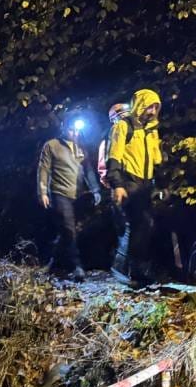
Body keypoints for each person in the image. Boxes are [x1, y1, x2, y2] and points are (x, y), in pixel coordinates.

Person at [106, 89, 163, 286]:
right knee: (137, 224)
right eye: (149, 106)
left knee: (144, 226)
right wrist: (118, 185)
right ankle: (127, 269)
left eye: (156, 106)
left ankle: (132, 269)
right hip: (129, 181)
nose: (153, 110)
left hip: (145, 184)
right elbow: (114, 157)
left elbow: (156, 160)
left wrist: (159, 185)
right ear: (140, 105)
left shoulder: (151, 131)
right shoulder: (123, 126)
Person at [37, 115, 102, 281]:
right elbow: (43, 169)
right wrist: (42, 192)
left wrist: (95, 190)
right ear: (64, 128)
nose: (74, 133)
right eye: (71, 129)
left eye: (76, 130)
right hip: (59, 192)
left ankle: (53, 262)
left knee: (68, 231)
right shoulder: (52, 145)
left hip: (77, 194)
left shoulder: (81, 148)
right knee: (69, 228)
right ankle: (77, 266)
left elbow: (88, 170)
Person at [98, 103, 131, 237]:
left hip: (136, 182)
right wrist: (111, 180)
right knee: (125, 225)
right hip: (119, 183)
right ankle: (124, 256)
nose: (123, 115)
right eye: (119, 113)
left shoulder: (137, 133)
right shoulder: (109, 137)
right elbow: (104, 161)